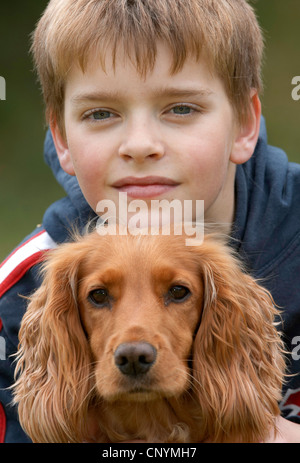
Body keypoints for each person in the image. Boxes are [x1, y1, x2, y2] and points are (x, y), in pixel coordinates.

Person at [0, 0, 300, 443]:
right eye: (101, 113)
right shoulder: (24, 289)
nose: (140, 146)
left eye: (180, 108)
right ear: (61, 136)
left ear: (243, 124)